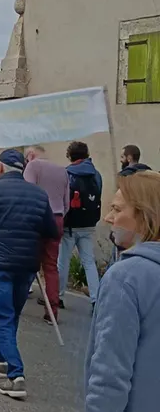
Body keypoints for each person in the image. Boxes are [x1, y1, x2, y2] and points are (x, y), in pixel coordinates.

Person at [0, 149, 58, 399]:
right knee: (11, 314)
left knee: (1, 316)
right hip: (27, 263)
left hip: (0, 261)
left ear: (1, 168)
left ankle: (16, 374)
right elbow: (50, 229)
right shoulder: (39, 194)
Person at [85, 171, 160, 412]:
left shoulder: (126, 277)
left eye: (117, 210)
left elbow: (110, 376)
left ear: (145, 215)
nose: (108, 218)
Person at [24, 145, 70, 322]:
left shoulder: (33, 166)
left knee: (28, 261)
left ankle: (17, 301)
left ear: (31, 155)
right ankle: (52, 310)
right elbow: (66, 202)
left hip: (37, 216)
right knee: (51, 266)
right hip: (57, 217)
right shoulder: (62, 170)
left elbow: (28, 194)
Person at [57, 141, 103, 312]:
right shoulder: (96, 174)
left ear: (70, 156)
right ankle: (96, 299)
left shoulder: (67, 173)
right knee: (89, 262)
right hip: (89, 223)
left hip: (70, 224)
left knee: (63, 262)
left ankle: (59, 297)